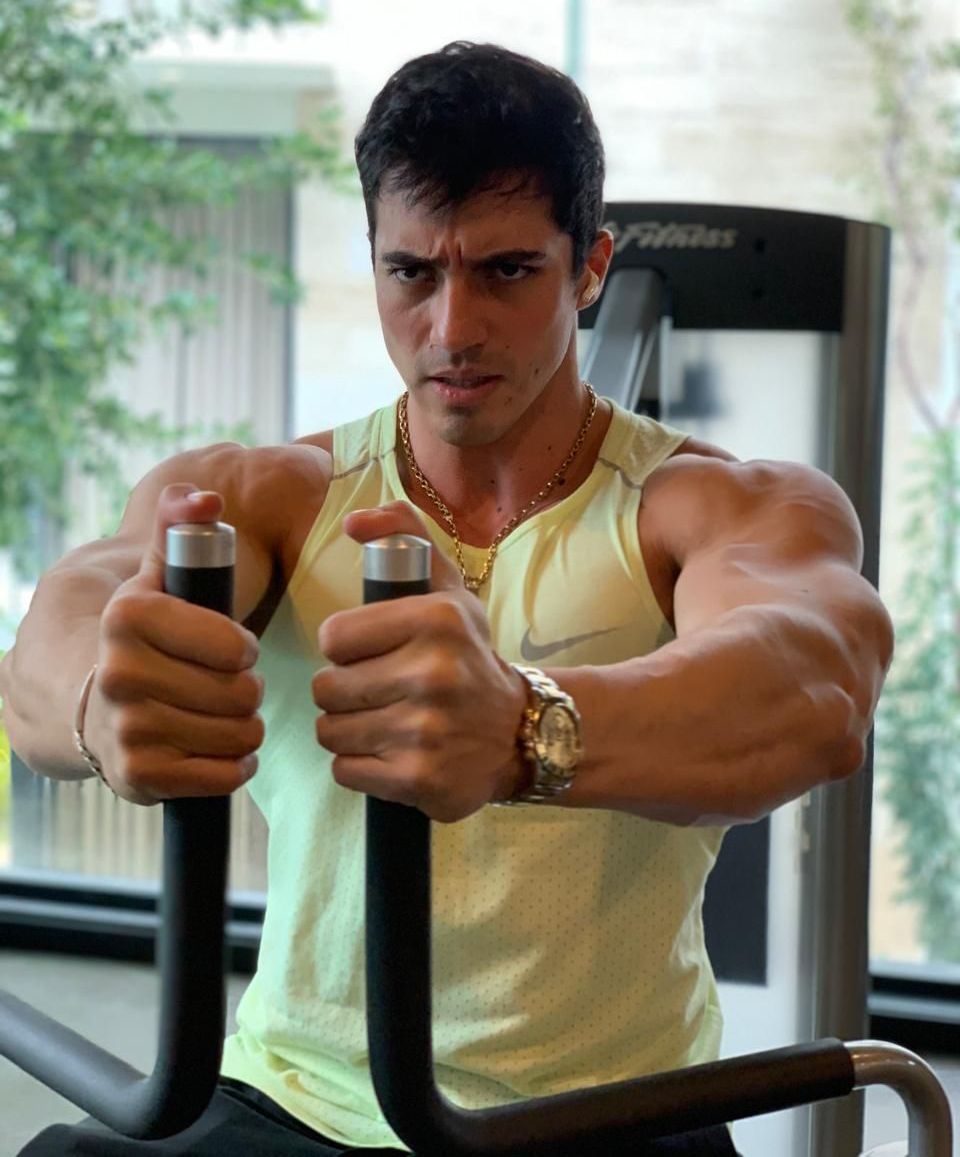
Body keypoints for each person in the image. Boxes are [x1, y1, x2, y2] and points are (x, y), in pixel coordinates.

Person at [1, 41, 892, 1157]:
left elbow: (812, 682)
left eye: (508, 271)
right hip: (294, 1102)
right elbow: (61, 625)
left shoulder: (707, 505)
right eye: (412, 272)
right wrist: (98, 700)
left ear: (591, 267)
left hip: (608, 1111)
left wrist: (525, 729)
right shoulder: (279, 495)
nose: (452, 327)